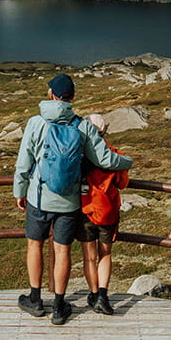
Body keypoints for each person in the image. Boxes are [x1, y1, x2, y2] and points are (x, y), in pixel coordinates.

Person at [13, 74, 133, 325]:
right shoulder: (83, 126)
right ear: (72, 98)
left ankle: (35, 300)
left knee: (34, 245)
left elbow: (23, 163)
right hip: (69, 202)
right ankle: (58, 307)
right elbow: (106, 160)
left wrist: (20, 191)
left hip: (38, 197)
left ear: (51, 95)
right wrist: (128, 161)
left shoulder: (35, 123)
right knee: (62, 249)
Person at [77, 113, 128, 316]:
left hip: (85, 210)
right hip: (107, 212)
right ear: (104, 130)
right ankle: (103, 296)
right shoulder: (114, 153)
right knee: (105, 254)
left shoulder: (79, 154)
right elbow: (122, 183)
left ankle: (93, 292)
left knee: (89, 257)